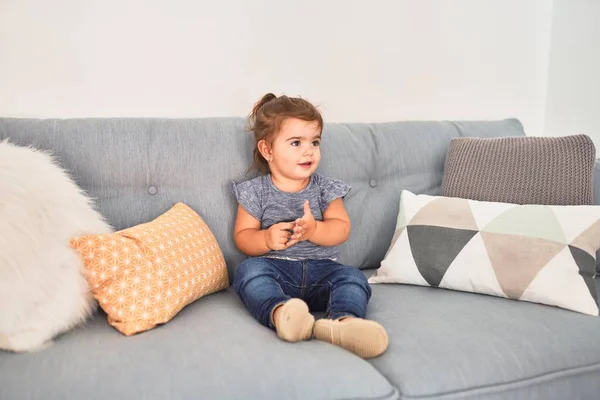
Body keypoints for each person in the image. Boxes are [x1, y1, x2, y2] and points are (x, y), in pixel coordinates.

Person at [231, 93, 388, 359]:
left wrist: (315, 230)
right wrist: (266, 239)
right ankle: (283, 314)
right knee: (248, 271)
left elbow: (341, 228)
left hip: (322, 271)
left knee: (352, 277)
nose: (309, 151)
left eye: (315, 142)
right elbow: (242, 236)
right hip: (276, 268)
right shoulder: (255, 192)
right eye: (296, 142)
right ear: (267, 150)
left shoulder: (326, 188)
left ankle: (344, 324)